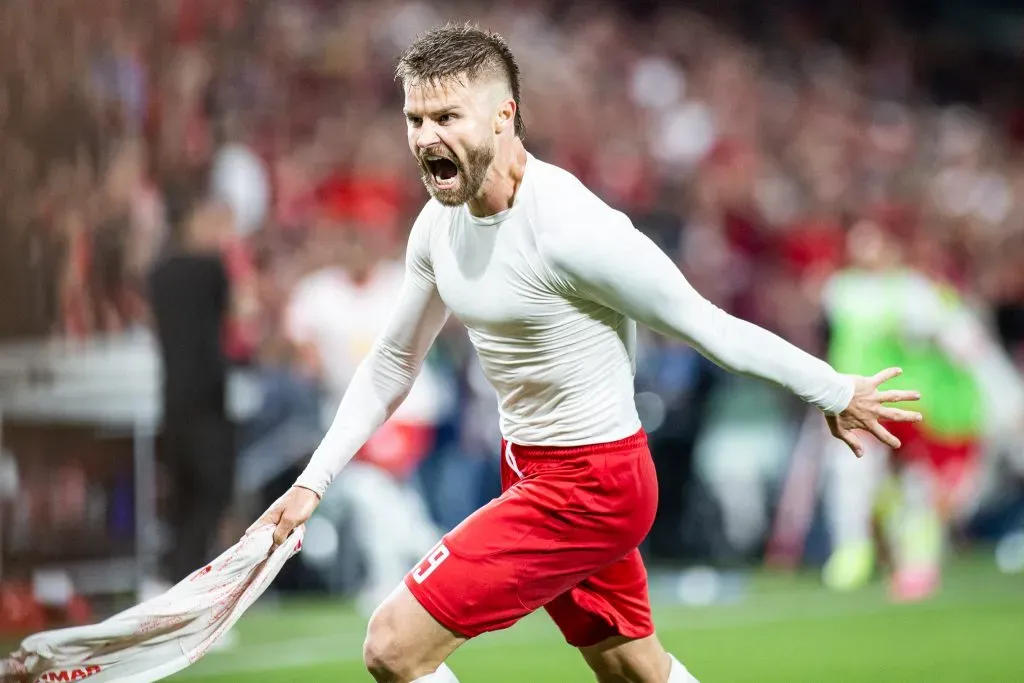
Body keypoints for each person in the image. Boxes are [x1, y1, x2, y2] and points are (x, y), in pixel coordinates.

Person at [253, 24, 922, 683]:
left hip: (591, 484)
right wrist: (314, 480)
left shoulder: (573, 231)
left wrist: (835, 389)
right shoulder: (437, 226)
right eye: (415, 119)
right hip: (529, 467)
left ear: (502, 116)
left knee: (393, 644)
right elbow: (393, 363)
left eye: (447, 116)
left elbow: (709, 325)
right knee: (635, 669)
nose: (426, 137)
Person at [821, 218, 1024, 600]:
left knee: (917, 488)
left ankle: (915, 562)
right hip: (850, 399)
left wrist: (1004, 393)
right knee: (851, 474)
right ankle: (853, 551)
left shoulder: (912, 293)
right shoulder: (840, 291)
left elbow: (963, 342)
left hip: (902, 402)